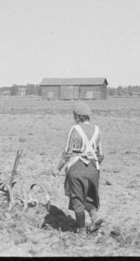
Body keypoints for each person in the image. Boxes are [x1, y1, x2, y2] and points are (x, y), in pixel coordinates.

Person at [54, 101, 104, 237]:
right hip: (94, 169)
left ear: (78, 116)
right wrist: (92, 165)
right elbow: (101, 155)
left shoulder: (74, 129)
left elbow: (67, 153)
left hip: (77, 169)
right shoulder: (98, 130)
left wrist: (57, 169)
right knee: (88, 197)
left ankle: (82, 231)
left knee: (77, 199)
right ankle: (95, 217)